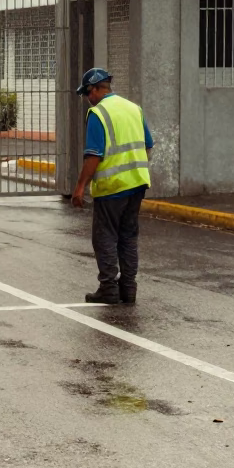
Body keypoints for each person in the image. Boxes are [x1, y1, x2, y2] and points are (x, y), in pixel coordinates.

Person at [71, 68, 153, 305]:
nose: (88, 99)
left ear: (96, 89)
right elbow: (148, 144)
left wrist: (79, 188)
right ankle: (128, 288)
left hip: (112, 186)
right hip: (137, 182)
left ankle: (108, 288)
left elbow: (93, 156)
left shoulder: (98, 113)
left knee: (104, 237)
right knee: (128, 237)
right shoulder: (133, 108)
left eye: (88, 93)